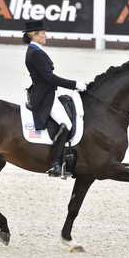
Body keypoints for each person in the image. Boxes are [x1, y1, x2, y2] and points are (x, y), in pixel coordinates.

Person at [23, 20, 87, 177]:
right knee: (66, 124)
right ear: (34, 35)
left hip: (48, 93)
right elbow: (49, 78)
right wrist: (74, 84)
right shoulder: (35, 53)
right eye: (43, 33)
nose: (45, 35)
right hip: (44, 96)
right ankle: (55, 164)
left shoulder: (35, 50)